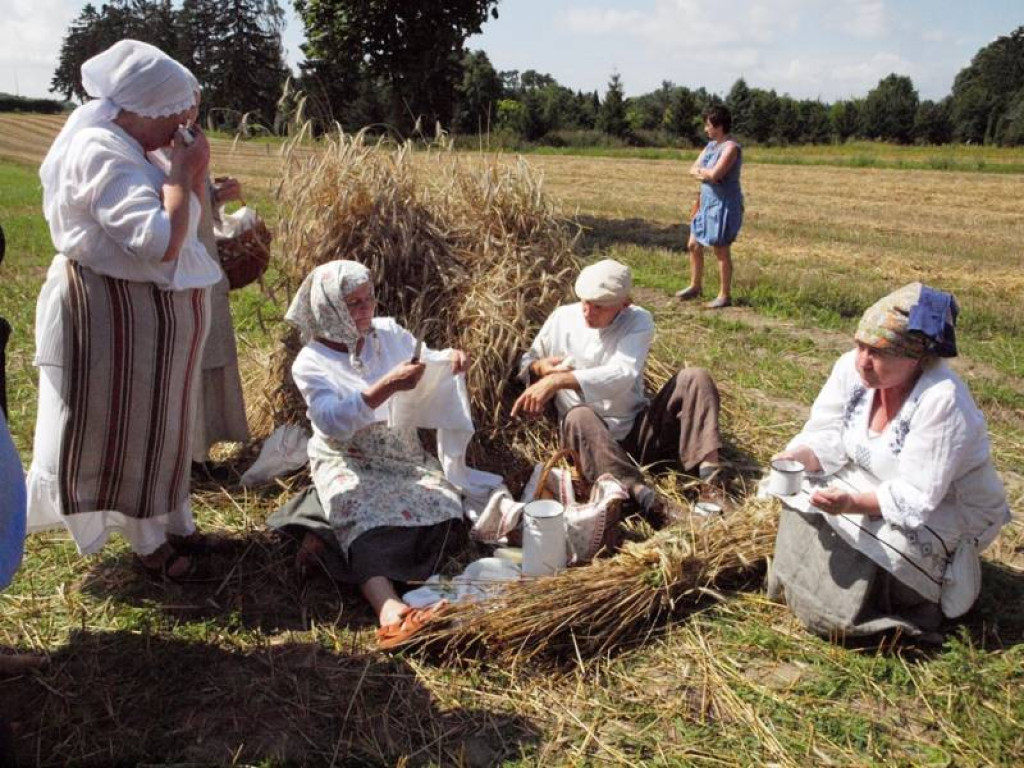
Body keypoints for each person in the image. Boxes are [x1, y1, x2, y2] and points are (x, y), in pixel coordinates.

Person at [25, 40, 222, 580]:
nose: (183, 126)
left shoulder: (137, 145)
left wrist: (188, 174)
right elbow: (157, 238)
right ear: (143, 108)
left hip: (145, 318)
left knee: (164, 429)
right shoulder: (100, 150)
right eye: (176, 115)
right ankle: (147, 544)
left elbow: (174, 212)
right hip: (113, 317)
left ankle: (175, 522)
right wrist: (183, 173)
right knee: (126, 432)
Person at [767, 283, 1010, 641]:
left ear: (914, 357)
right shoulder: (852, 370)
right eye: (859, 345)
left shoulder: (943, 400)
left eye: (878, 351)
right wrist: (799, 456)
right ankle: (802, 585)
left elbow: (918, 496)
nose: (862, 360)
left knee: (883, 541)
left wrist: (851, 504)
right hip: (875, 479)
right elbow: (828, 431)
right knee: (800, 488)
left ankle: (865, 611)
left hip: (948, 511)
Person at [270, 260, 471, 647]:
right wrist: (385, 386)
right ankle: (391, 610)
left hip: (402, 455)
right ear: (328, 309)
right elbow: (330, 420)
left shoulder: (388, 333)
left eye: (369, 299)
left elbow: (425, 358)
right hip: (349, 457)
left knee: (446, 512)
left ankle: (321, 535)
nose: (366, 310)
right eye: (353, 304)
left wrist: (449, 359)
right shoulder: (312, 362)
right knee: (362, 517)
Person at [512, 259, 727, 525]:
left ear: (624, 304)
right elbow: (526, 359)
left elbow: (622, 375)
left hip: (637, 430)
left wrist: (557, 382)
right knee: (578, 416)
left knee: (695, 378)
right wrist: (537, 367)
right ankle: (649, 502)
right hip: (592, 442)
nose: (588, 312)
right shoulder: (562, 318)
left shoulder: (638, 320)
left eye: (599, 307)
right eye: (585, 303)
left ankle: (712, 487)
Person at [191, 174, 250, 471]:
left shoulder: (183, 139)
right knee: (185, 367)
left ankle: (198, 453)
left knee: (207, 358)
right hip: (174, 273)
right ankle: (182, 458)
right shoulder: (144, 147)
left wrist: (215, 197)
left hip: (204, 267)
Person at [675, 105, 743, 309]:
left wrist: (704, 173)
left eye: (708, 125)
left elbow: (716, 175)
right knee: (693, 245)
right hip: (705, 202)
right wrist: (706, 173)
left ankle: (724, 295)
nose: (706, 129)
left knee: (720, 250)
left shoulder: (731, 148)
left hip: (723, 205)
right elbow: (692, 170)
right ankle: (695, 286)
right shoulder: (710, 147)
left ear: (719, 126)